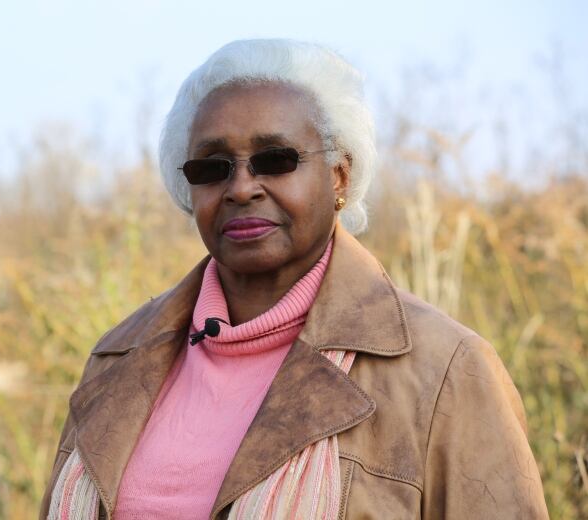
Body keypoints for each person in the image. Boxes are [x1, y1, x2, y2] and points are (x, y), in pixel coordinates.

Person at [40, 39, 548, 519]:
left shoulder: (446, 370)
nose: (241, 187)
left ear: (339, 176)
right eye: (212, 167)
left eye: (275, 160)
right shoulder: (117, 359)